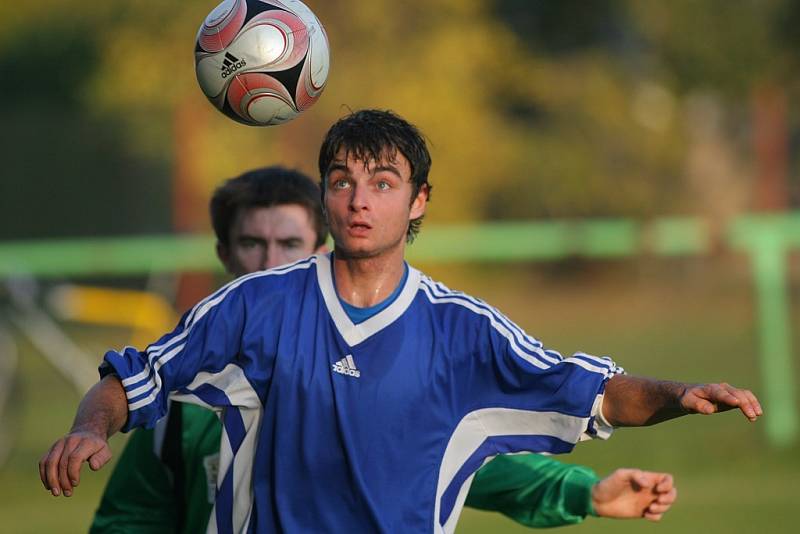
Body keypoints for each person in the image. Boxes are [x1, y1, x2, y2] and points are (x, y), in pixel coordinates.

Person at [41, 110, 760, 534]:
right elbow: (135, 377)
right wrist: (88, 427)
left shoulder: (463, 331)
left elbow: (594, 393)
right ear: (325, 197)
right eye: (343, 182)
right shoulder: (255, 307)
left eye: (383, 184)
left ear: (418, 202)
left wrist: (679, 395)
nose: (360, 200)